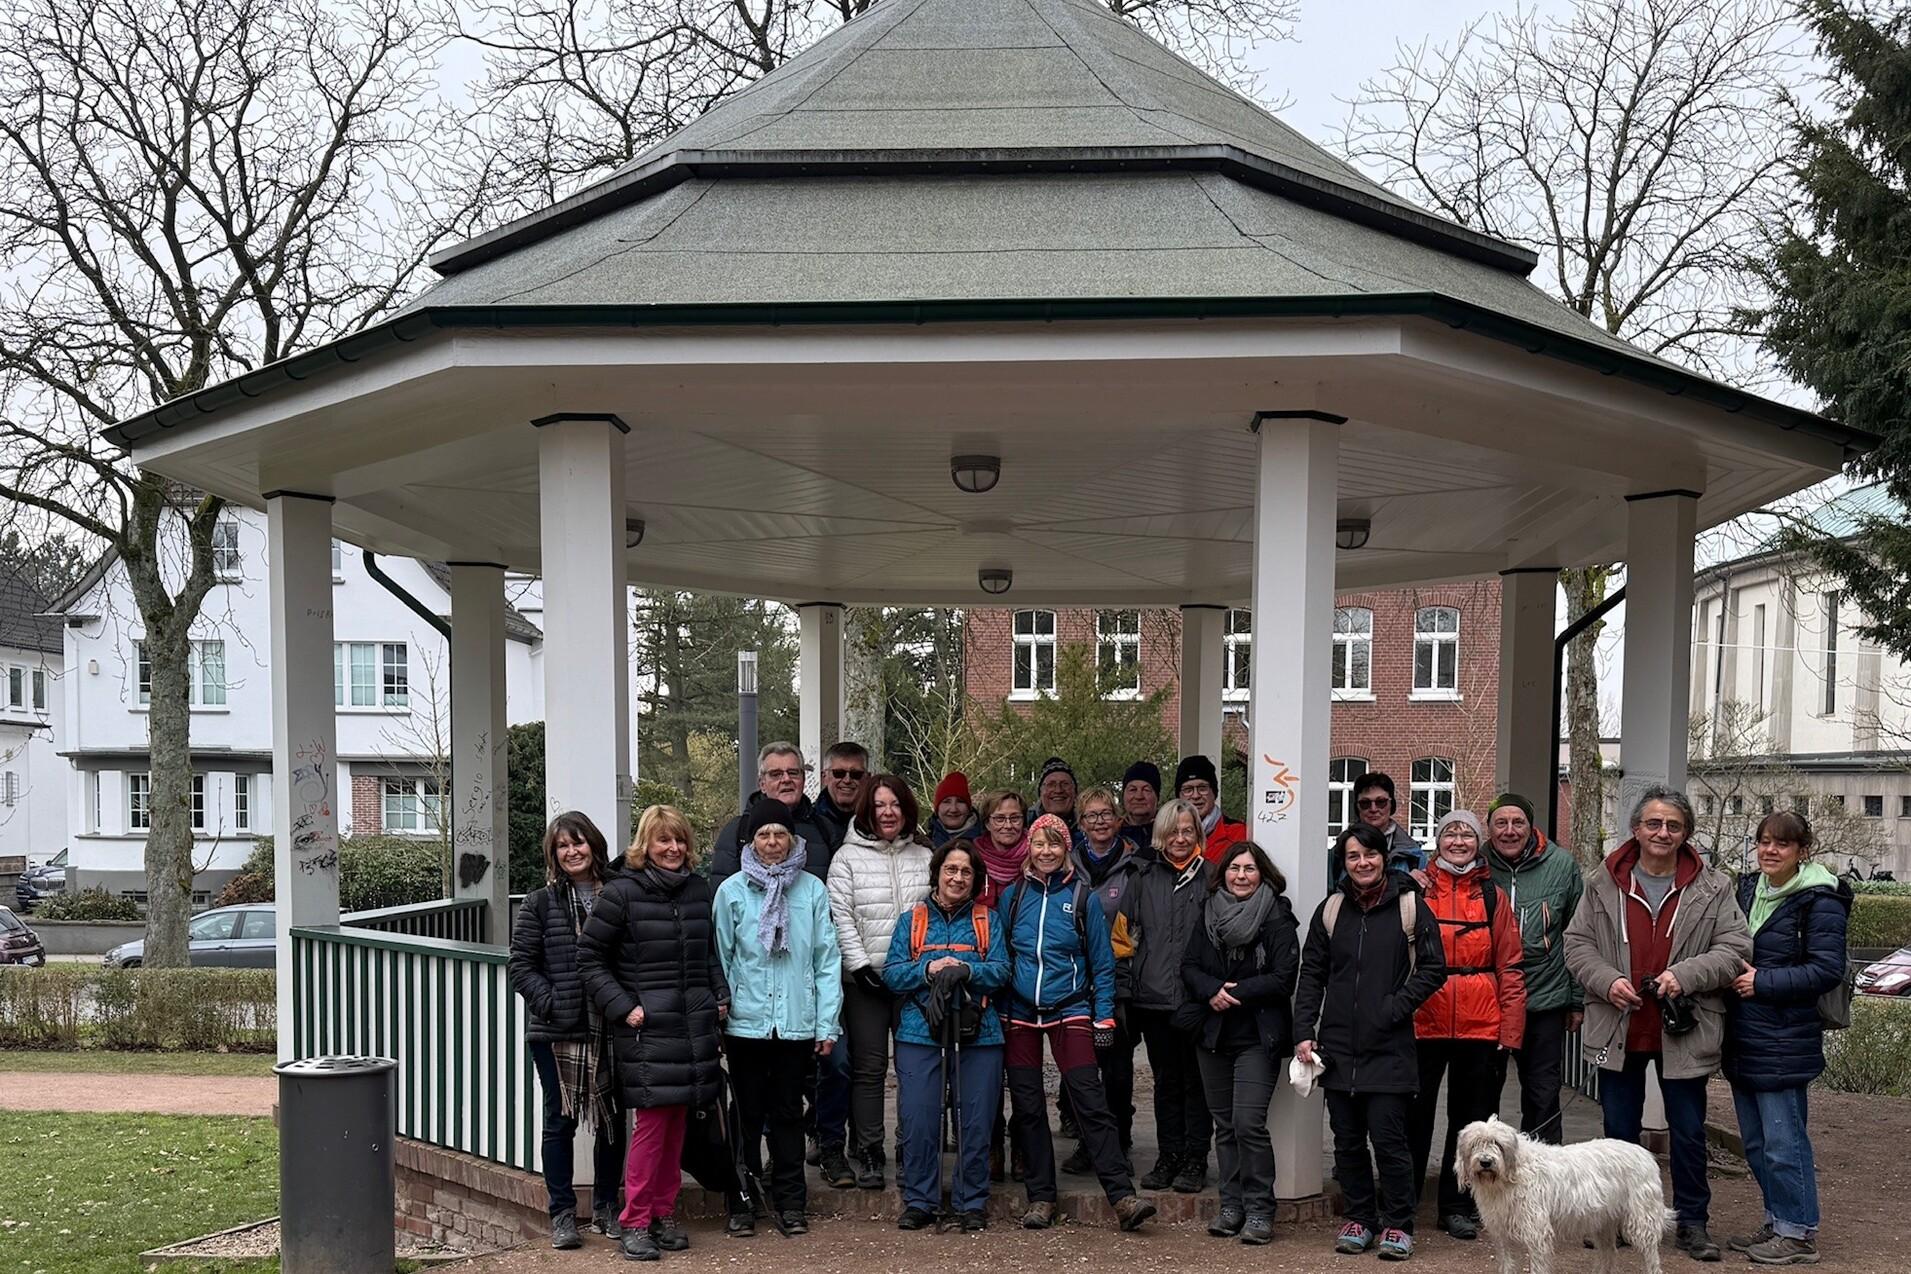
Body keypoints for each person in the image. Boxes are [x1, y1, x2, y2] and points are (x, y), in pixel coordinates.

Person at [1564, 785, 1753, 1264]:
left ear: (1686, 832)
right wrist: (1607, 982)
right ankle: (1620, 1224)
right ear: (1636, 829)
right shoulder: (1601, 882)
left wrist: (1683, 976)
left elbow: (1735, 948)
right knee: (1618, 1134)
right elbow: (1577, 944)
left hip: (1684, 1029)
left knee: (1688, 1132)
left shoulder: (1715, 887)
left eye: (1673, 825)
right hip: (1619, 1025)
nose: (1662, 832)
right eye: (1653, 823)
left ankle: (1693, 1222)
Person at [578, 805, 729, 1262]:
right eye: (664, 840)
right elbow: (590, 958)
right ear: (646, 844)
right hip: (647, 1029)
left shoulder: (698, 890)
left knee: (678, 1122)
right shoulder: (622, 893)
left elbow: (708, 954)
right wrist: (624, 1008)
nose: (674, 849)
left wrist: (718, 994)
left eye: (680, 840)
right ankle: (635, 1220)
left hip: (693, 1023)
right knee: (652, 1125)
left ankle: (663, 1213)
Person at [1294, 823, 1446, 1262]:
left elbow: (1433, 969)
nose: (1362, 863)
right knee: (1346, 1143)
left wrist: (1393, 1008)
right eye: (1352, 856)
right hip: (1337, 1050)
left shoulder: (1410, 907)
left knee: (1390, 1141)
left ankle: (1398, 1224)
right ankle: (1360, 1218)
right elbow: (1312, 975)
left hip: (1391, 1049)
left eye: (1370, 854)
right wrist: (1304, 1031)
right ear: (1343, 863)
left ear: (1384, 857)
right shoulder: (1332, 909)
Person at [999, 814, 1158, 1232]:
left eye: (1055, 844)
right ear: (1028, 849)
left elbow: (1102, 967)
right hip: (1019, 1013)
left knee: (1091, 1103)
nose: (1047, 852)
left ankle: (1122, 1197)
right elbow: (1002, 958)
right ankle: (1041, 1198)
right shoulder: (1013, 897)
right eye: (1039, 844)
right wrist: (997, 1007)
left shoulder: (1084, 898)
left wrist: (1103, 1016)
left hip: (1070, 1009)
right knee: (1029, 1109)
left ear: (1066, 848)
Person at [709, 742, 847, 1187]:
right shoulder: (732, 891)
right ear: (751, 839)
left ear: (793, 840)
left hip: (795, 1021)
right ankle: (744, 1197)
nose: (772, 842)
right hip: (746, 1022)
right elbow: (722, 957)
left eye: (780, 835)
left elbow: (826, 959)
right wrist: (722, 1012)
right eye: (764, 834)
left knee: (788, 1112)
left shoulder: (810, 890)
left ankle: (790, 1199)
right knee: (748, 1113)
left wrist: (826, 1023)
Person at [1722, 811, 1850, 1266]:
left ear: (1803, 850)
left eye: (1782, 843)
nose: (1770, 850)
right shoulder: (1747, 890)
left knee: (1784, 1142)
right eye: (1763, 842)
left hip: (1785, 1038)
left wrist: (1763, 983)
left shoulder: (1820, 900)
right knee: (1757, 1143)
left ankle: (1798, 1233)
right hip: (1744, 1036)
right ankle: (1778, 1220)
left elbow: (1826, 969)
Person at [508, 811, 628, 1251]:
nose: (572, 851)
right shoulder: (540, 902)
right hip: (557, 1031)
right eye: (563, 845)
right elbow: (521, 965)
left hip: (611, 1026)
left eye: (579, 842)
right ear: (553, 854)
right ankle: (561, 1214)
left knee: (613, 1122)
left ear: (594, 845)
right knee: (560, 1122)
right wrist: (553, 1004)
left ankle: (605, 1208)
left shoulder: (619, 894)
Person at [1407, 810, 1525, 1241]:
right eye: (1450, 833)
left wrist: (1510, 1031)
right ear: (1437, 842)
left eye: (1467, 835)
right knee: (1412, 1118)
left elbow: (1511, 965)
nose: (1458, 841)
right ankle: (1403, 1202)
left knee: (1471, 1122)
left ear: (1479, 843)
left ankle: (1457, 1206)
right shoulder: (1415, 890)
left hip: (1481, 1024)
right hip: (1424, 1018)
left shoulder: (1493, 896)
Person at [882, 840, 1009, 1232]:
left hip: (980, 1033)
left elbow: (1003, 969)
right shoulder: (912, 920)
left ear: (976, 879)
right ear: (936, 873)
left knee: (975, 1120)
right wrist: (930, 969)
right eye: (950, 870)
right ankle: (921, 1200)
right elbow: (892, 972)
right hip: (920, 1032)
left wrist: (967, 971)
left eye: (966, 872)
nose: (957, 878)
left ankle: (972, 1202)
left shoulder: (988, 920)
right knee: (919, 1119)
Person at [1179, 840, 1300, 1246]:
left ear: (1262, 874)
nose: (1241, 876)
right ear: (1224, 873)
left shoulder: (1278, 917)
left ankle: (1261, 1211)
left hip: (1256, 1036)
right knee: (1225, 1126)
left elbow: (1285, 976)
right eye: (1234, 869)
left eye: (1249, 869)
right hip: (1212, 1035)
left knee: (1248, 1124)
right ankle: (1231, 1207)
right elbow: (1189, 965)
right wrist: (1212, 990)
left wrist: (1236, 992)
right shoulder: (1209, 912)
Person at [826, 773, 933, 1190]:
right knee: (869, 1069)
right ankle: (870, 1150)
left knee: (913, 1069)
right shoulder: (846, 859)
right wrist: (860, 968)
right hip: (864, 982)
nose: (888, 813)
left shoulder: (924, 857)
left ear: (906, 809)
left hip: (914, 980)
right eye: (879, 805)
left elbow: (935, 917)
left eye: (895, 805)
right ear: (867, 810)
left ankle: (912, 1148)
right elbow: (841, 917)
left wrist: (922, 967)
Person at [1111, 797, 1213, 1193]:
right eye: (1173, 830)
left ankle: (1194, 1159)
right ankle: (1168, 1155)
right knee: (1165, 1082)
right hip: (1152, 1000)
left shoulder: (1212, 877)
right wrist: (1126, 990)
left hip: (1196, 1000)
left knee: (1196, 1084)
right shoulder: (1142, 877)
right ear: (1161, 835)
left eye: (1188, 830)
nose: (1181, 838)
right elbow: (1122, 940)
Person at [1483, 791, 1584, 1144]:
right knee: (1482, 1097)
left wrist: (1576, 999)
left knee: (1542, 1095)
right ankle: (1481, 1177)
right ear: (1489, 828)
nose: (1509, 831)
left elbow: (1577, 936)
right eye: (1501, 823)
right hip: (1488, 1001)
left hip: (1544, 998)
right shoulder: (1476, 865)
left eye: (1518, 823)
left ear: (1531, 826)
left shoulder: (1562, 865)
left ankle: (1545, 1177)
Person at [1063, 787, 1146, 1174]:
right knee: (1080, 1070)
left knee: (1116, 1070)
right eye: (1090, 816)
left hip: (1119, 980)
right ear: (1080, 825)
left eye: (1106, 814)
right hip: (1075, 981)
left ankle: (1119, 1142)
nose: (1099, 822)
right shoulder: (1066, 866)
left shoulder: (1136, 866)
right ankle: (1087, 1142)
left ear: (1119, 819)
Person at [1175, 754, 1245, 865]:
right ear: (1179, 796)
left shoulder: (1239, 834)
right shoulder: (1169, 837)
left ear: (1214, 792)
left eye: (1202, 788)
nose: (1196, 795)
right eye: (1188, 789)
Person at [1352, 772, 1425, 874]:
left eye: (1381, 802)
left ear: (1392, 804)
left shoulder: (1413, 855)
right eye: (1365, 803)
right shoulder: (1338, 854)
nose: (1373, 809)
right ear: (1357, 807)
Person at [974, 789, 1030, 909]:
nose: (1008, 826)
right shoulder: (972, 858)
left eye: (1015, 818)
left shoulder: (1038, 856)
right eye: (999, 819)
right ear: (987, 823)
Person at [812, 742, 871, 849]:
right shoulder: (808, 824)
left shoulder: (879, 824)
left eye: (856, 774)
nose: (847, 780)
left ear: (867, 778)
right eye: (839, 773)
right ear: (824, 777)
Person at [1119, 761, 1161, 855]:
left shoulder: (1171, 833)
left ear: (1157, 797)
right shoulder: (1111, 834)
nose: (1139, 796)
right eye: (1132, 790)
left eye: (1146, 790)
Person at [931, 771, 977, 847]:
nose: (953, 809)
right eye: (946, 802)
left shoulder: (987, 843)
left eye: (960, 801)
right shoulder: (923, 846)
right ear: (937, 808)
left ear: (969, 809)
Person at [1038, 756, 1079, 829]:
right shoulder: (1024, 824)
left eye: (1065, 784)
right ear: (1040, 792)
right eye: (1051, 784)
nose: (1058, 790)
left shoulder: (1091, 827)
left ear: (1075, 792)